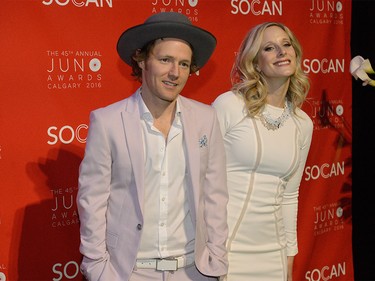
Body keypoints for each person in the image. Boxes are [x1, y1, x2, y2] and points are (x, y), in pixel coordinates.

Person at [77, 12, 228, 281]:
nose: (175, 73)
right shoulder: (108, 121)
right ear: (142, 59)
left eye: (184, 64)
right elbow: (92, 201)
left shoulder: (206, 118)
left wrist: (216, 258)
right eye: (165, 60)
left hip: (194, 271)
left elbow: (215, 195)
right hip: (130, 272)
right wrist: (98, 267)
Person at [212, 22, 313, 281]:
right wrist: (210, 248)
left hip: (274, 254)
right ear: (255, 63)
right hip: (227, 249)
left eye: (286, 44)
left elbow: (291, 196)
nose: (281, 51)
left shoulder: (303, 123)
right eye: (270, 48)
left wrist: (289, 259)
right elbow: (202, 179)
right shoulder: (229, 106)